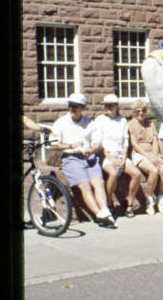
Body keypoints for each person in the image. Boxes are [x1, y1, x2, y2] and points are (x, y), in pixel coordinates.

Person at [49, 92, 116, 227]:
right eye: (70, 105)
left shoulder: (89, 123)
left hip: (89, 157)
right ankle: (100, 215)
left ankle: (105, 212)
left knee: (99, 183)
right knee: (85, 186)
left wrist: (92, 150)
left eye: (76, 106)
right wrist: (70, 145)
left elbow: (98, 142)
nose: (72, 108)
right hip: (71, 158)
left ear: (82, 108)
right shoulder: (61, 123)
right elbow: (52, 144)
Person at [91, 94, 142, 217]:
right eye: (106, 105)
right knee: (113, 174)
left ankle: (129, 204)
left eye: (111, 105)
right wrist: (111, 159)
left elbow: (125, 141)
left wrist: (123, 157)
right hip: (106, 155)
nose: (108, 107)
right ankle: (108, 203)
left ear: (116, 106)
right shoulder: (100, 120)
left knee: (137, 174)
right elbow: (99, 143)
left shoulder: (123, 121)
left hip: (120, 154)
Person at [127, 100, 163, 215]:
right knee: (154, 170)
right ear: (134, 112)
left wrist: (156, 156)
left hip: (153, 154)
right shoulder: (132, 124)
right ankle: (149, 200)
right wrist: (149, 157)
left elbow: (155, 141)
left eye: (143, 110)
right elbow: (135, 145)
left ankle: (161, 199)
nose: (141, 113)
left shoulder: (150, 124)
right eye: (138, 111)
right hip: (139, 154)